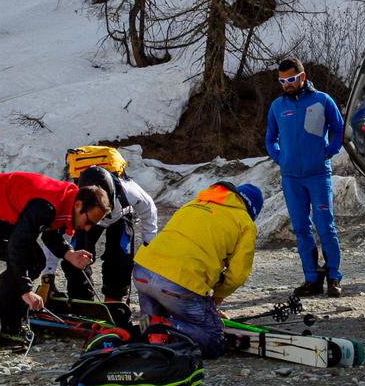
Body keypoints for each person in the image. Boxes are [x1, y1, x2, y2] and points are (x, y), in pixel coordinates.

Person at [0, 171, 111, 344]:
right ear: (79, 205)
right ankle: (6, 325)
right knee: (26, 260)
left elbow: (50, 234)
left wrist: (69, 254)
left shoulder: (66, 200)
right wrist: (26, 291)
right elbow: (17, 247)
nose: (87, 228)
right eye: (88, 221)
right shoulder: (45, 206)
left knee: (35, 261)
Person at [131, 182, 262, 358]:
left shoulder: (194, 204)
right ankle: (162, 324)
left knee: (154, 337)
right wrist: (214, 299)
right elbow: (237, 276)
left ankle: (153, 335)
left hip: (142, 272)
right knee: (214, 341)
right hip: (177, 284)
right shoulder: (245, 222)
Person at [264, 56, 345, 298]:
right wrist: (280, 157)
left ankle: (333, 277)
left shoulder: (322, 100)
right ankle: (312, 279)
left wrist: (329, 151)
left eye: (290, 79)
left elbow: (338, 129)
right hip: (291, 177)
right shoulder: (277, 106)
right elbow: (270, 138)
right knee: (300, 228)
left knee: (325, 226)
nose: (286, 84)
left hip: (318, 174)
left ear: (302, 77)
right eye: (282, 81)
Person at [69, 165, 159, 302]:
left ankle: (114, 298)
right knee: (76, 253)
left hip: (120, 215)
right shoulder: (74, 197)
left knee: (121, 253)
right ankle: (81, 298)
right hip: (87, 215)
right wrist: (49, 273)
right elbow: (56, 235)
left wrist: (149, 242)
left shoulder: (128, 191)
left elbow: (149, 209)